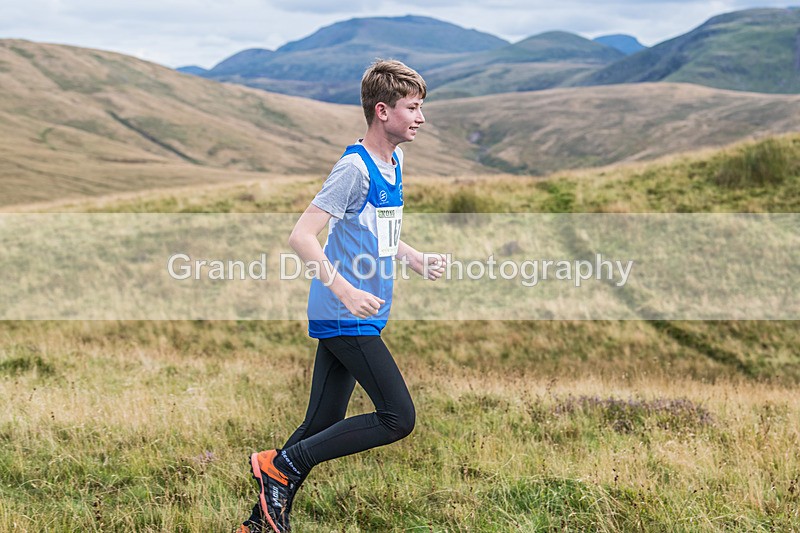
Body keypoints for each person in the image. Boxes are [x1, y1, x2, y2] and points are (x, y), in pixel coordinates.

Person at [236, 59, 447, 533]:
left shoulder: (392, 163)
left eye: (421, 108)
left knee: (323, 420)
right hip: (343, 310)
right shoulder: (353, 168)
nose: (420, 117)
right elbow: (302, 236)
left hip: (358, 311)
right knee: (397, 417)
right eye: (412, 107)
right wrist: (345, 289)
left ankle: (259, 523)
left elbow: (379, 232)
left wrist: (412, 256)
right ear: (382, 110)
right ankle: (279, 465)